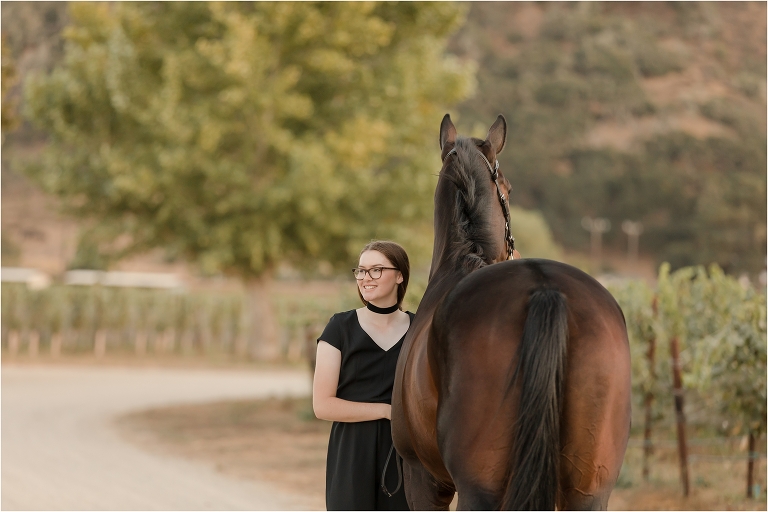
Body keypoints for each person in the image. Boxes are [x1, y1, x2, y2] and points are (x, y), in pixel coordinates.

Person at [313, 240, 413, 511]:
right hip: (352, 453)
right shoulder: (339, 327)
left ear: (400, 275)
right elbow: (322, 405)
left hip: (406, 453)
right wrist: (385, 410)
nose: (366, 278)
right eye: (361, 270)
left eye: (376, 270)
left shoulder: (419, 329)